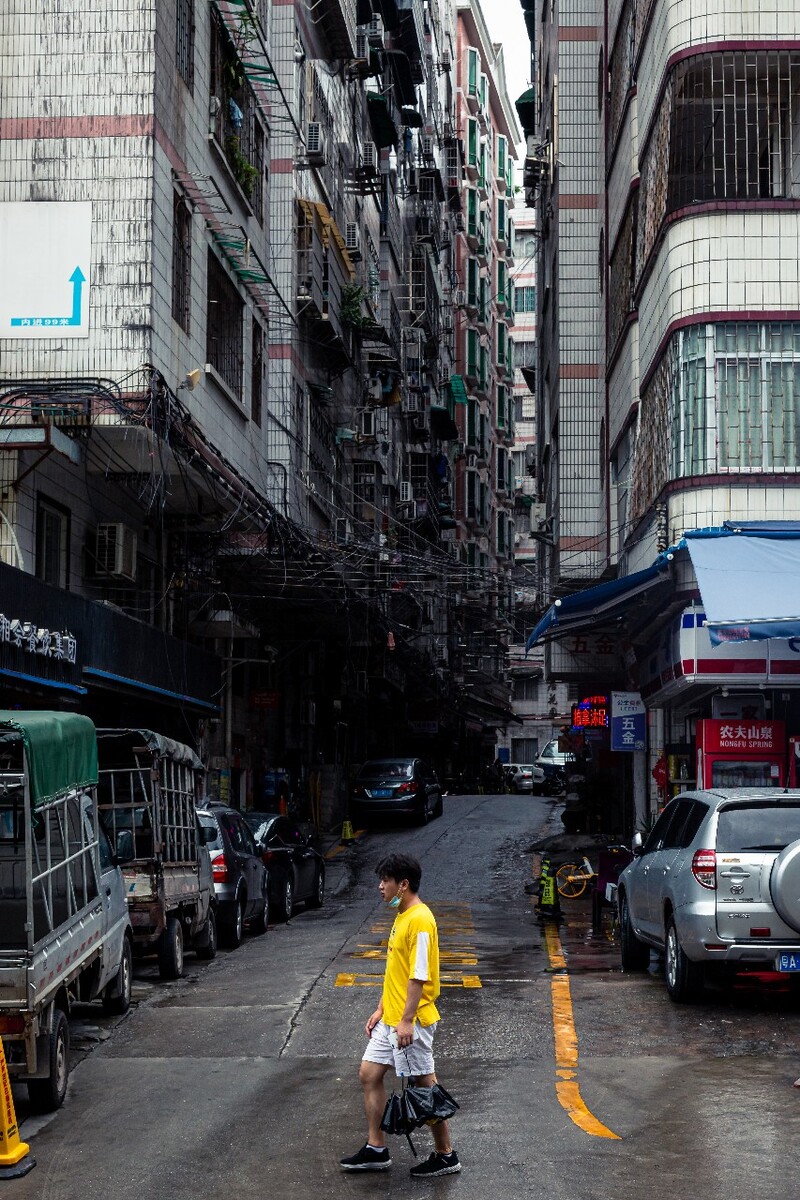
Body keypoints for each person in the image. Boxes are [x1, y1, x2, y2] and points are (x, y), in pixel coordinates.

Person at [340, 853, 461, 1178]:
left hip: (413, 1019)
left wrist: (406, 1020)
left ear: (403, 884)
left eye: (385, 881)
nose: (380, 887)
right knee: (369, 1073)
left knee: (424, 1085)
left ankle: (445, 1154)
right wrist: (381, 1008)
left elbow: (418, 976)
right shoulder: (402, 915)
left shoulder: (420, 920)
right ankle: (376, 1148)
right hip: (392, 1017)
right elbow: (397, 970)